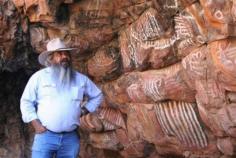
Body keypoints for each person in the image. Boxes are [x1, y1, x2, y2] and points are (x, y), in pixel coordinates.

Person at [20, 38, 103, 158]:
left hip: (70, 138)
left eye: (66, 53)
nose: (65, 56)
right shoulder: (38, 78)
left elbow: (97, 95)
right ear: (51, 58)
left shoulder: (80, 79)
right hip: (45, 136)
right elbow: (26, 102)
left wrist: (85, 110)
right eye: (59, 53)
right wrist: (35, 124)